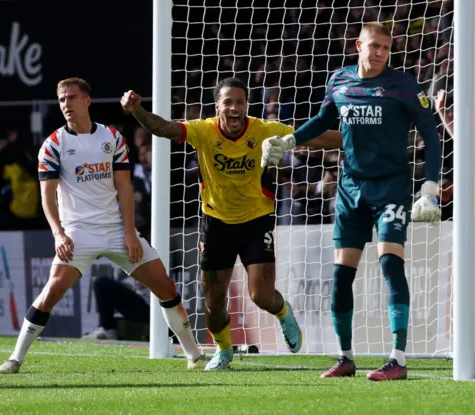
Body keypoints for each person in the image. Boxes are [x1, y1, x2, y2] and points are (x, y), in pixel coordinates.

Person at [121, 78, 341, 371]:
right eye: (228, 102)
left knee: (261, 296)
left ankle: (284, 313)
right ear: (217, 106)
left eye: (240, 102)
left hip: (256, 221)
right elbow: (163, 128)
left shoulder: (264, 129)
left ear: (246, 106)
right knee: (213, 305)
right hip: (215, 224)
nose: (234, 108)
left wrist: (362, 135)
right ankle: (224, 351)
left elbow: (314, 136)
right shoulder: (203, 130)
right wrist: (137, 111)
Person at [261, 23, 441, 380]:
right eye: (374, 46)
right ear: (359, 45)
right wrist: (290, 140)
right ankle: (345, 358)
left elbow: (431, 137)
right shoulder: (339, 81)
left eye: (386, 49)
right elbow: (323, 120)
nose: (379, 54)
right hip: (349, 188)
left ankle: (399, 359)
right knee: (342, 275)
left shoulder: (403, 85)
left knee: (391, 264)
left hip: (390, 187)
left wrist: (430, 189)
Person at [0, 78, 205, 374]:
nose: (66, 104)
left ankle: (194, 356)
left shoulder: (112, 138)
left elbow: (124, 187)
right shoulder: (54, 144)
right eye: (62, 100)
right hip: (78, 233)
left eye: (71, 98)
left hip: (116, 229)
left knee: (165, 286)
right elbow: (47, 196)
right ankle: (14, 359)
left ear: (87, 100)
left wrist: (130, 233)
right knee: (52, 292)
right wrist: (59, 234)